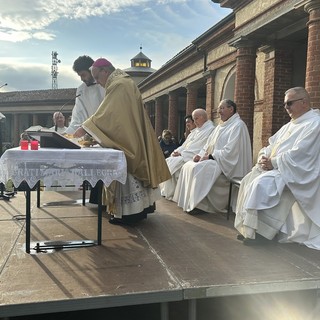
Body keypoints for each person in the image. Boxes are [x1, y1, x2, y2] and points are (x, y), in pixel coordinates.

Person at [74, 58, 171, 225]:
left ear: (105, 71)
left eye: (98, 78)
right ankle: (138, 212)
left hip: (127, 139)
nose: (98, 82)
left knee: (127, 170)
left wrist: (86, 127)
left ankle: (130, 215)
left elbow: (109, 113)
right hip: (130, 134)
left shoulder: (119, 84)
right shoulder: (121, 82)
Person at [234, 87, 320, 249]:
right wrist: (262, 157)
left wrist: (273, 162)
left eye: (289, 103)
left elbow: (303, 154)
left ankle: (263, 233)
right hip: (278, 167)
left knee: (261, 185)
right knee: (248, 180)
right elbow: (271, 144)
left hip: (296, 171)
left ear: (303, 102)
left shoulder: (314, 123)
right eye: (285, 104)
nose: (286, 107)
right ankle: (250, 229)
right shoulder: (291, 125)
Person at [173, 99, 252, 213]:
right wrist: (199, 155)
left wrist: (211, 156)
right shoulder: (220, 126)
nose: (219, 111)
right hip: (215, 159)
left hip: (226, 164)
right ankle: (189, 202)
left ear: (231, 109)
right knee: (188, 166)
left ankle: (201, 205)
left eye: (222, 108)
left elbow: (231, 151)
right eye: (219, 108)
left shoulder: (238, 126)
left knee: (198, 169)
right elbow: (207, 145)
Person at [159, 108, 215, 200]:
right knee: (169, 160)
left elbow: (199, 147)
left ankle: (173, 193)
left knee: (174, 164)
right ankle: (168, 191)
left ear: (202, 117)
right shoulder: (197, 131)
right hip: (186, 154)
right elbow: (185, 145)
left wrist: (182, 154)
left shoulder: (210, 130)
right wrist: (176, 152)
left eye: (196, 119)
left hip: (192, 156)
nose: (194, 122)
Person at [65, 55, 105, 135]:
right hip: (89, 135)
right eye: (80, 76)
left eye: (83, 75)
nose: (81, 79)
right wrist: (66, 134)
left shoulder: (105, 85)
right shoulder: (81, 90)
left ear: (91, 70)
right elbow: (78, 118)